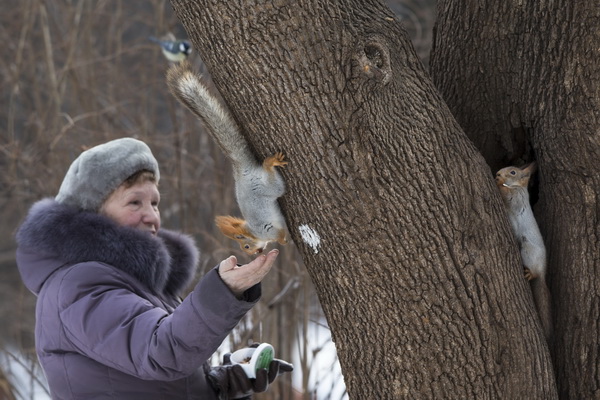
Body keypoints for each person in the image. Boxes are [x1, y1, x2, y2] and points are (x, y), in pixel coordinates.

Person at [15, 137, 292, 399]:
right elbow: (162, 352)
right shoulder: (79, 285)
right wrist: (222, 292)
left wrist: (225, 384)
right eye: (135, 202)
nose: (152, 216)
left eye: (155, 203)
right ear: (92, 213)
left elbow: (155, 383)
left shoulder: (136, 283)